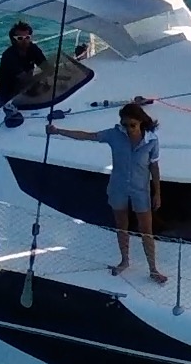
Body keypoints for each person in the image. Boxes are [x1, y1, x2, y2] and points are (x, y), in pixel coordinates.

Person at [48, 103, 167, 284]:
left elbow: (154, 167)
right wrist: (58, 131)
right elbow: (88, 136)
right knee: (121, 226)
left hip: (140, 191)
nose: (128, 129)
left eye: (132, 125)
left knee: (146, 231)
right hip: (118, 187)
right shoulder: (114, 135)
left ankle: (153, 269)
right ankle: (124, 261)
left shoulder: (152, 141)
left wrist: (157, 193)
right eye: (125, 125)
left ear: (141, 122)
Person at [0, 20, 46, 108]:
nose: (24, 41)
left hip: (23, 91)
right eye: (20, 38)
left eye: (27, 37)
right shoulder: (9, 56)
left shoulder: (33, 49)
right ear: (13, 40)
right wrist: (41, 76)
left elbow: (46, 66)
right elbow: (24, 78)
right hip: (5, 96)